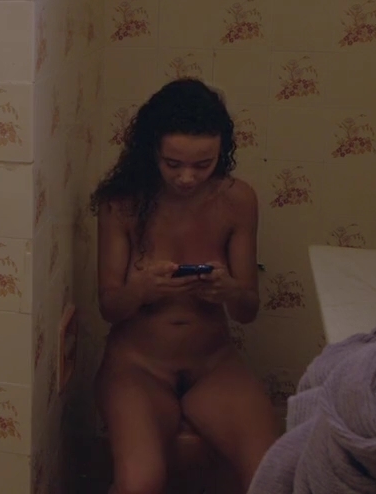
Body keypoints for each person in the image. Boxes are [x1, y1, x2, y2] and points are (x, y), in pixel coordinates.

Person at [90, 78, 278, 494]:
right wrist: (141, 290)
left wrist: (229, 290)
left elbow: (248, 310)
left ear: (221, 153)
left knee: (272, 477)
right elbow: (109, 307)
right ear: (152, 152)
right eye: (173, 164)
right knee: (140, 483)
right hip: (137, 366)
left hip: (213, 363)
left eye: (203, 164)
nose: (187, 178)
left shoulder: (237, 201)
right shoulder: (122, 203)